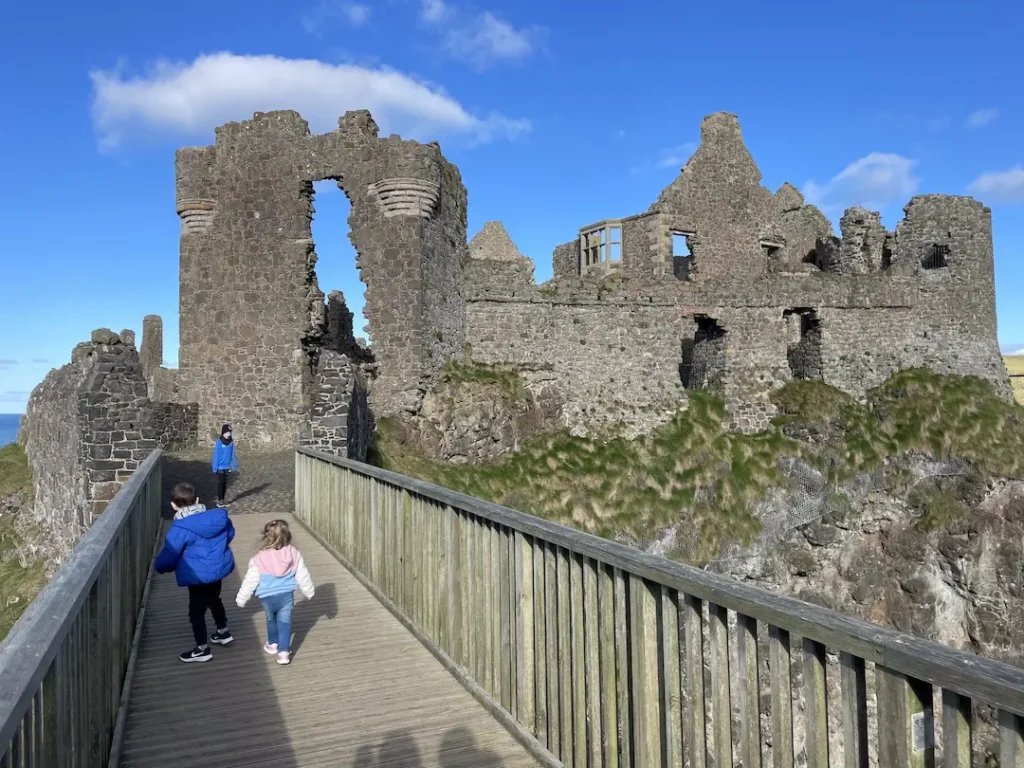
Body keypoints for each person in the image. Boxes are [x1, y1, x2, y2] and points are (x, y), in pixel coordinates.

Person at [153, 482, 236, 663]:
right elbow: (230, 534)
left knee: (196, 612)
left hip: (197, 576)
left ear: (173, 505)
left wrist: (159, 567)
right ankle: (223, 632)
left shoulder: (179, 529)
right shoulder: (219, 518)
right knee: (214, 599)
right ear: (198, 500)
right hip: (217, 570)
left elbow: (170, 555)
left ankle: (202, 649)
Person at [235, 519, 315, 665]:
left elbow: (250, 580)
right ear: (288, 536)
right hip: (286, 595)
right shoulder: (294, 554)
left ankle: (272, 644)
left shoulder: (259, 558)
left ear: (266, 536)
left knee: (271, 619)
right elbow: (302, 574)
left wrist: (242, 598)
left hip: (267, 597)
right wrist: (308, 591)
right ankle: (284, 652)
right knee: (285, 623)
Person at [211, 423, 239, 506]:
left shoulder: (231, 442)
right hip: (220, 467)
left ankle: (223, 499)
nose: (228, 434)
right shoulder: (219, 441)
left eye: (230, 433)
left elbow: (232, 454)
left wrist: (234, 464)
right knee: (221, 483)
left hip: (227, 466)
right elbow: (216, 455)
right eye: (227, 433)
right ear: (223, 433)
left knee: (225, 484)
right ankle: (220, 500)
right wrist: (215, 467)